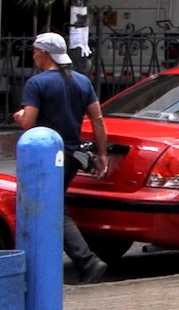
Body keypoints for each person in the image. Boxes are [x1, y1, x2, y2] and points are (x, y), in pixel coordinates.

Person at [13, 32, 110, 285]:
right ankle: (70, 261)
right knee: (53, 206)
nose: (33, 55)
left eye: (35, 51)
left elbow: (29, 124)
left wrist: (20, 116)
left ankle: (86, 260)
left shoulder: (37, 83)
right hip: (73, 156)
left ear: (44, 54)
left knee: (52, 208)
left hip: (46, 158)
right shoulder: (81, 82)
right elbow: (98, 119)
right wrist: (102, 154)